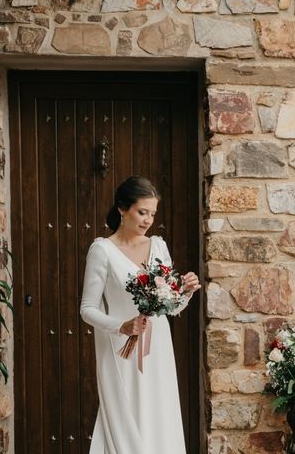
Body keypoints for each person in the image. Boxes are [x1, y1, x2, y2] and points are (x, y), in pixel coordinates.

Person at [80, 176, 201, 454]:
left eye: (153, 214)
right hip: (121, 350)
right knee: (127, 414)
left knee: (159, 411)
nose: (148, 220)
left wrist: (185, 291)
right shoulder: (103, 251)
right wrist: (121, 326)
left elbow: (171, 307)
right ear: (122, 208)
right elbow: (87, 309)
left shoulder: (158, 246)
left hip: (157, 347)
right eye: (142, 212)